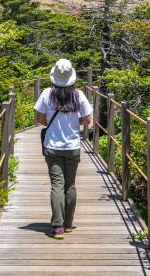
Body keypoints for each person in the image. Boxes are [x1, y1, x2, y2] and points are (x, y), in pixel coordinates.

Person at [34, 58, 93, 239]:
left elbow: (40, 119)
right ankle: (67, 223)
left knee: (57, 185)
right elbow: (87, 119)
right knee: (70, 185)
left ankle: (57, 226)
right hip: (73, 146)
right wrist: (74, 124)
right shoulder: (78, 95)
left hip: (52, 145)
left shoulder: (46, 93)